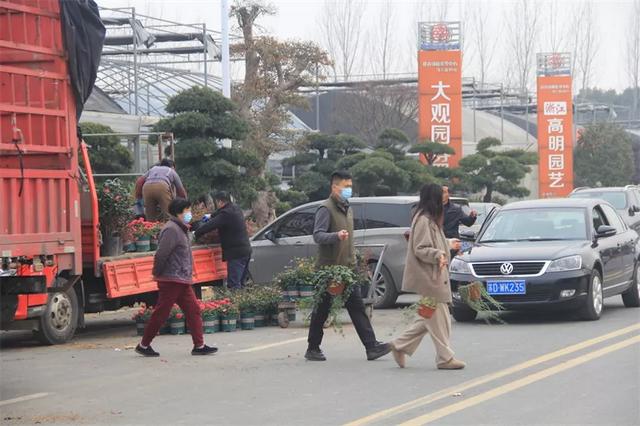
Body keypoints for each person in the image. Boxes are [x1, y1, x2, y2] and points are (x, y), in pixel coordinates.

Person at [305, 171, 391, 362]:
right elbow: (317, 235)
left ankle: (371, 347)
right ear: (335, 187)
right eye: (346, 187)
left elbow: (349, 241)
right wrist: (335, 236)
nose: (349, 190)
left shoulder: (347, 208)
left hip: (347, 268)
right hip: (329, 269)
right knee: (322, 308)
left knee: (357, 306)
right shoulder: (325, 209)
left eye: (350, 186)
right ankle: (312, 348)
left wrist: (355, 261)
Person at [390, 183, 465, 370]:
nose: (445, 198)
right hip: (429, 278)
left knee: (429, 316)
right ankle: (445, 358)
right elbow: (421, 248)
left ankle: (400, 345)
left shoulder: (430, 218)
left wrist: (448, 244)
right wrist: (438, 254)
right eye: (442, 195)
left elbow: (434, 243)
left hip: (433, 276)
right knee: (439, 319)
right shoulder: (423, 219)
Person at [136, 198, 217, 357]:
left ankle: (199, 346)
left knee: (193, 310)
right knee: (162, 313)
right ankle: (144, 345)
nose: (189, 214)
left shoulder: (181, 229)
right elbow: (161, 254)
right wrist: (157, 272)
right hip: (171, 279)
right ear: (179, 213)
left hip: (181, 279)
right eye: (187, 211)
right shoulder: (171, 230)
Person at [193, 191, 252, 290]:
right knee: (241, 283)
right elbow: (220, 213)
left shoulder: (226, 214)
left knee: (234, 285)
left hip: (236, 253)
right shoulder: (235, 208)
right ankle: (242, 303)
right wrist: (210, 216)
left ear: (220, 202)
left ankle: (235, 304)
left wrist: (196, 233)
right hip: (245, 250)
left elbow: (211, 225)